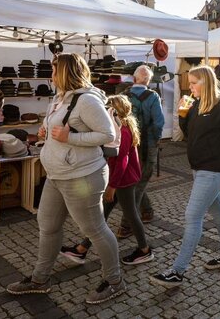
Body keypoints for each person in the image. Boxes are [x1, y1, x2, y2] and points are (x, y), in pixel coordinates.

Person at [8, 53, 124, 304]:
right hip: (56, 175)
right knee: (47, 226)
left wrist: (68, 138)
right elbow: (63, 129)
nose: (50, 76)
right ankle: (40, 279)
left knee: (94, 229)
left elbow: (105, 134)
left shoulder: (86, 100)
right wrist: (46, 132)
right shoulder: (60, 98)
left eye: (53, 71)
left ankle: (115, 281)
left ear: (65, 72)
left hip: (83, 176)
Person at [151, 65, 220, 287]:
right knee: (219, 211)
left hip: (214, 170)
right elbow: (190, 134)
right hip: (199, 169)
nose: (190, 87)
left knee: (192, 216)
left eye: (193, 83)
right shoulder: (195, 103)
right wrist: (182, 115)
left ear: (205, 82)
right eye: (189, 83)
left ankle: (177, 271)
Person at [60, 95, 153, 266]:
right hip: (118, 179)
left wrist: (112, 186)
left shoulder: (123, 131)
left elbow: (122, 161)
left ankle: (145, 250)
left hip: (123, 181)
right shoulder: (120, 127)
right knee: (101, 215)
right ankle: (82, 249)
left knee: (131, 214)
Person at [116, 65, 165, 239]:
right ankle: (127, 225)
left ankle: (147, 211)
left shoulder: (124, 96)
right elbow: (159, 123)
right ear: (149, 81)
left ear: (134, 78)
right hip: (147, 146)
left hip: (128, 145)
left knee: (134, 182)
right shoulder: (153, 97)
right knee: (140, 183)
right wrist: (155, 141)